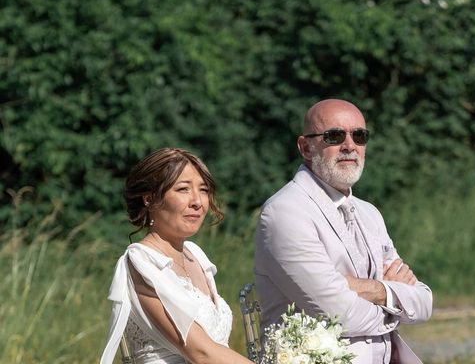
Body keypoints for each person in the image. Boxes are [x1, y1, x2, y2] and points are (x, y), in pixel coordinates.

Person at [255, 99, 433, 364]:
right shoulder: (284, 212)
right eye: (334, 136)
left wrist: (373, 290)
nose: (350, 145)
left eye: (359, 136)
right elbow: (339, 312)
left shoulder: (370, 213)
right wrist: (396, 300)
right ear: (305, 147)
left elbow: (424, 301)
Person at [100, 148, 253, 364]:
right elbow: (201, 353)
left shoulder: (196, 255)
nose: (197, 201)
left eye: (203, 190)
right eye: (183, 189)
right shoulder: (142, 262)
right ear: (149, 199)